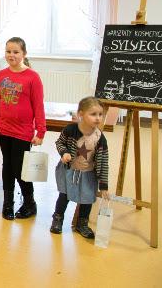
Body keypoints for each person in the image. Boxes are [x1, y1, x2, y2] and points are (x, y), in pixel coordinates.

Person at [0, 37, 46, 220]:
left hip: (23, 131)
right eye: (8, 51)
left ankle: (30, 203)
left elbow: (38, 106)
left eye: (15, 52)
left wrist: (41, 131)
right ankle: (8, 203)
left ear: (24, 54)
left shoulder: (32, 77)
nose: (11, 55)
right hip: (3, 129)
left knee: (20, 167)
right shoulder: (1, 75)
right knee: (7, 165)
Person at [50, 97, 110, 238]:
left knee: (87, 198)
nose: (98, 118)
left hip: (87, 174)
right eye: (93, 114)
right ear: (81, 114)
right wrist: (64, 152)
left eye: (100, 114)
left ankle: (82, 224)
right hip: (68, 171)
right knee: (64, 195)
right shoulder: (70, 130)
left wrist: (104, 185)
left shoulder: (100, 138)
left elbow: (103, 162)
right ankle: (57, 219)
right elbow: (60, 142)